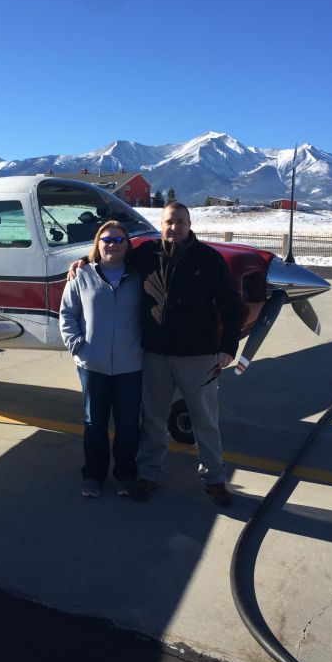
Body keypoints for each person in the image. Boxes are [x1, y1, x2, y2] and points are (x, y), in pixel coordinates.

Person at [69, 202, 243, 507]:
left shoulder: (210, 260)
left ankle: (215, 479)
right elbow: (111, 254)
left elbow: (231, 308)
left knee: (205, 422)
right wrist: (84, 260)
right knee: (152, 421)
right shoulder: (146, 254)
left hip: (198, 357)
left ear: (190, 224)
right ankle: (148, 475)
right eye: (167, 222)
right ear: (160, 225)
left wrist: (228, 347)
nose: (173, 227)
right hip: (154, 356)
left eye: (179, 222)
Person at [60, 221, 142, 499]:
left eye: (119, 240)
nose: (113, 245)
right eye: (107, 239)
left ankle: (126, 475)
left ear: (127, 245)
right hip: (92, 365)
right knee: (94, 423)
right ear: (98, 243)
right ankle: (93, 475)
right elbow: (67, 313)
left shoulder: (139, 276)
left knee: (128, 425)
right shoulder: (82, 274)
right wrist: (77, 346)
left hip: (130, 365)